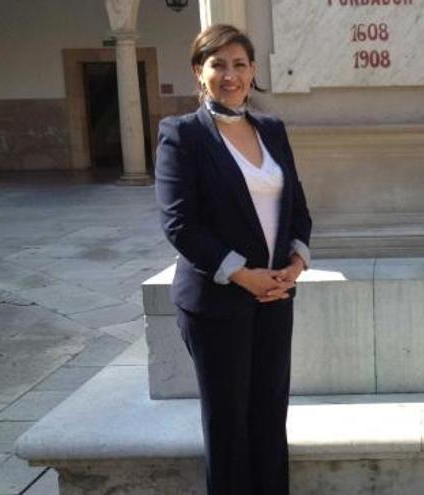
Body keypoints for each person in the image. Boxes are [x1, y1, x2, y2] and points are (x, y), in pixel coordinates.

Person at [154, 24, 311, 495]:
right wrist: (243, 275)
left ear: (253, 71)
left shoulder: (271, 129)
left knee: (268, 416)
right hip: (217, 304)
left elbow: (297, 208)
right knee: (228, 426)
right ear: (198, 73)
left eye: (239, 64)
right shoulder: (181, 136)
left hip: (275, 298)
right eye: (217, 64)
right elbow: (179, 224)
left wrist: (296, 264)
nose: (230, 75)